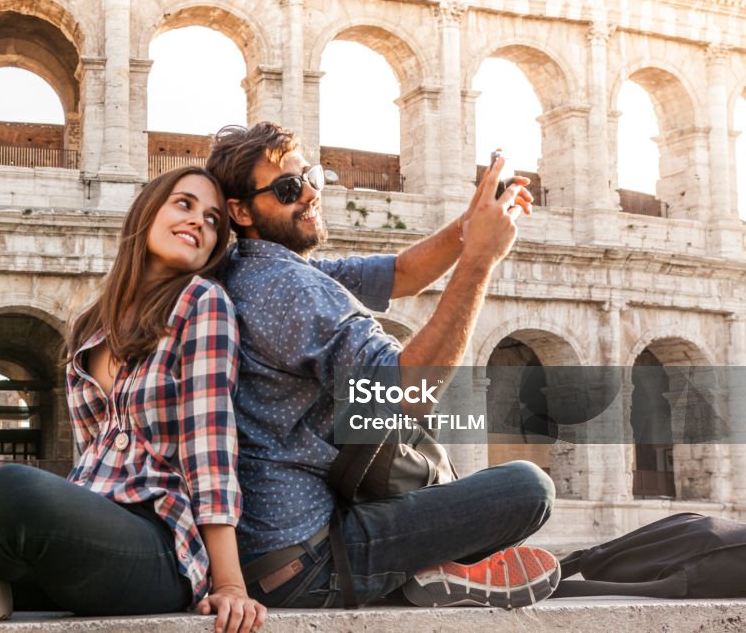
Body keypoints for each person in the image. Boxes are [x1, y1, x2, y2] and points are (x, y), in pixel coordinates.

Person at [0, 166, 266, 633]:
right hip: (82, 529)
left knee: (7, 488)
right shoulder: (90, 325)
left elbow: (210, 443)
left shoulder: (202, 301)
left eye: (214, 219)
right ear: (147, 211)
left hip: (156, 544)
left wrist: (230, 585)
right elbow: (89, 456)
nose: (199, 221)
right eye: (184, 204)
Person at [204, 122, 559, 609]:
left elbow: (402, 274)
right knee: (528, 489)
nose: (310, 192)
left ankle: (435, 573)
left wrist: (468, 225)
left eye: (310, 176)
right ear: (240, 211)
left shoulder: (253, 268)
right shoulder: (292, 289)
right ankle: (427, 572)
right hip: (311, 564)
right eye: (289, 188)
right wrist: (480, 259)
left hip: (271, 557)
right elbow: (407, 392)